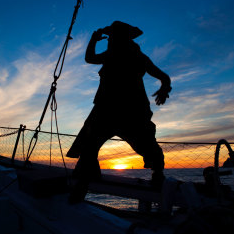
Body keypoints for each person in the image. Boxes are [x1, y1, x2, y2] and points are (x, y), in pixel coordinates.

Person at [66, 21, 171, 202]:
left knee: (141, 143)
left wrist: (93, 39)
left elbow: (90, 58)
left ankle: (157, 175)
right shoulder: (133, 56)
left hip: (123, 110)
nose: (110, 39)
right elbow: (164, 77)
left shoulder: (124, 55)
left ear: (119, 37)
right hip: (114, 110)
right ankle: (83, 184)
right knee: (92, 145)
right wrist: (164, 88)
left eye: (113, 36)